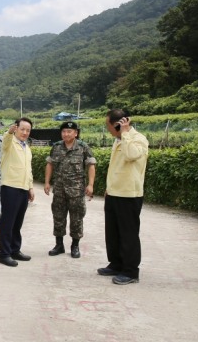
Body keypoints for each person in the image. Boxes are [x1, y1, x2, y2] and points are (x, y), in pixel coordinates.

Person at [98, 110, 148, 285]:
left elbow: (131, 155)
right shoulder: (118, 140)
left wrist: (125, 134)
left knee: (128, 234)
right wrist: (108, 188)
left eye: (109, 125)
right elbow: (116, 167)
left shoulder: (138, 139)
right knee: (112, 233)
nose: (108, 129)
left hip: (129, 195)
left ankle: (131, 271)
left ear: (118, 124)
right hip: (114, 193)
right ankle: (116, 263)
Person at [44, 121, 96, 258]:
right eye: (63, 131)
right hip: (59, 190)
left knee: (77, 219)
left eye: (69, 131)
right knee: (58, 217)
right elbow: (50, 164)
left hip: (76, 191)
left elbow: (91, 165)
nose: (66, 134)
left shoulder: (83, 147)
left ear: (76, 133)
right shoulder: (56, 147)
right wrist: (47, 182)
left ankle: (75, 246)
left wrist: (90, 185)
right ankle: (59, 245)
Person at [0, 118, 35, 267]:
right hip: (10, 187)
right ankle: (4, 254)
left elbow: (28, 170)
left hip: (23, 189)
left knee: (17, 223)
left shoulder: (27, 148)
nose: (25, 132)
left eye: (28, 130)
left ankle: (15, 250)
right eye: (22, 129)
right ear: (16, 128)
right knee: (7, 223)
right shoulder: (9, 143)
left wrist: (30, 187)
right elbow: (6, 140)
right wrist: (9, 132)